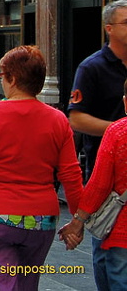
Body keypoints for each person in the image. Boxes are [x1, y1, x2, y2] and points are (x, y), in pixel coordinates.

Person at [0, 45, 82, 291]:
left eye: (2, 76)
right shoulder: (58, 119)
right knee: (26, 283)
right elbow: (71, 174)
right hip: (41, 220)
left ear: (12, 78)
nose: (2, 82)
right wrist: (77, 220)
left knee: (2, 283)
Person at [59, 78, 127, 291]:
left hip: (122, 232)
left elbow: (99, 184)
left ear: (126, 102)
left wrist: (78, 222)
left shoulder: (118, 133)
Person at [69, 0, 127, 179]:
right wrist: (120, 131)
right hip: (105, 170)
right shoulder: (91, 68)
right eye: (126, 23)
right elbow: (76, 119)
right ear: (109, 29)